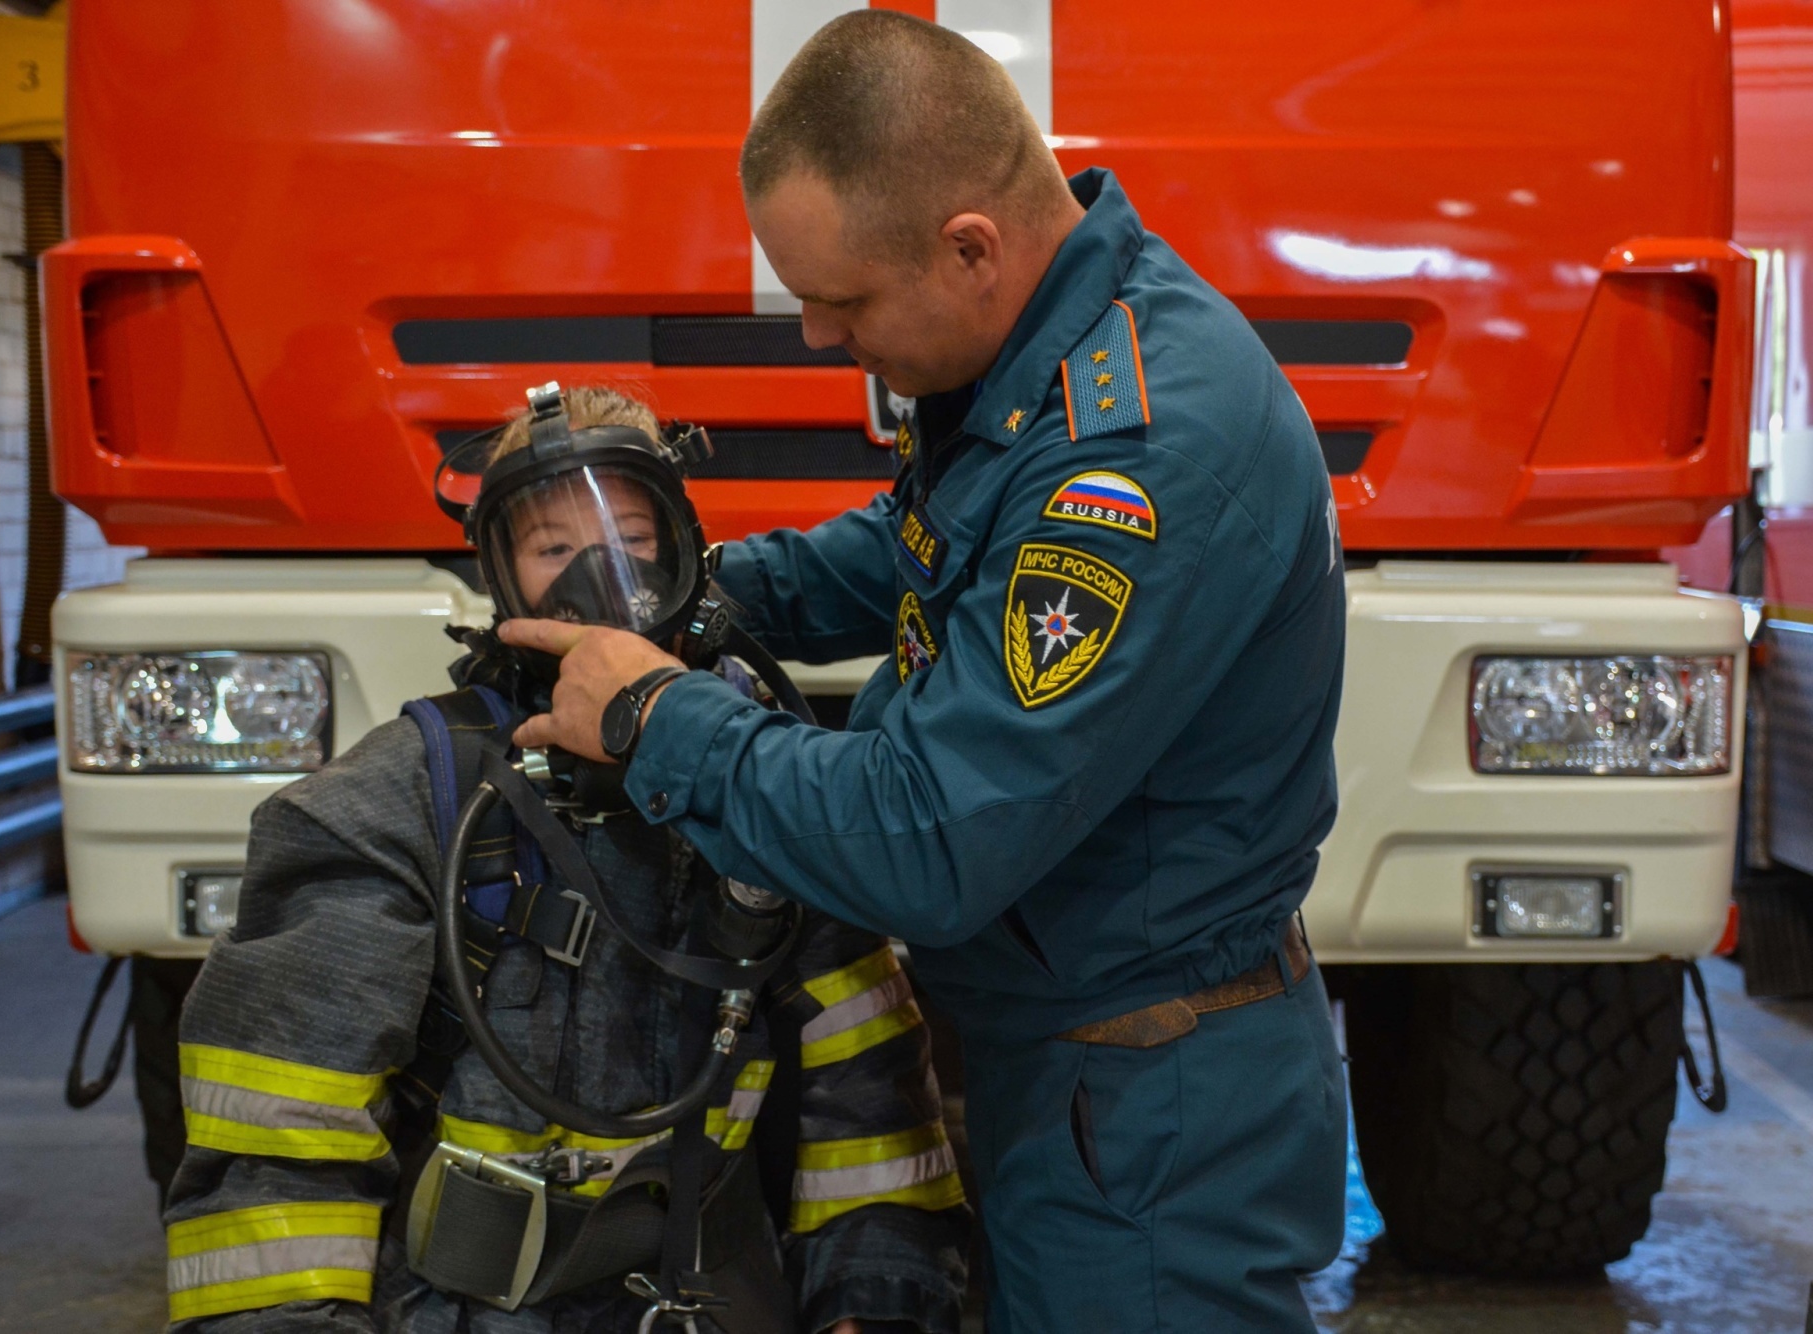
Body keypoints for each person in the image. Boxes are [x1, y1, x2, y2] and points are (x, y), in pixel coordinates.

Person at [504, 13, 1350, 1332]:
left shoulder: (1138, 460)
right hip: (1080, 1062)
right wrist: (679, 592)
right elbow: (905, 559)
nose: (818, 341)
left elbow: (929, 834)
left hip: (1147, 1115)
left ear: (971, 247)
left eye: (841, 302)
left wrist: (652, 712)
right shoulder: (1040, 370)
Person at [161, 385, 968, 1333]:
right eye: (554, 549)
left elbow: (866, 1098)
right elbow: (275, 1161)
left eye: (632, 535)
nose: (601, 575)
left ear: (685, 554)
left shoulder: (762, 784)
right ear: (503, 585)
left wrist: (872, 1307)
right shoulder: (400, 808)